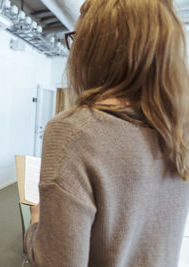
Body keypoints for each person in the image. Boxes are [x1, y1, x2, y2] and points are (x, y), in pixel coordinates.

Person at [24, 0, 189, 266]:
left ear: (94, 49)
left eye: (77, 39)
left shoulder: (73, 132)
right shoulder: (178, 132)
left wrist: (36, 224)